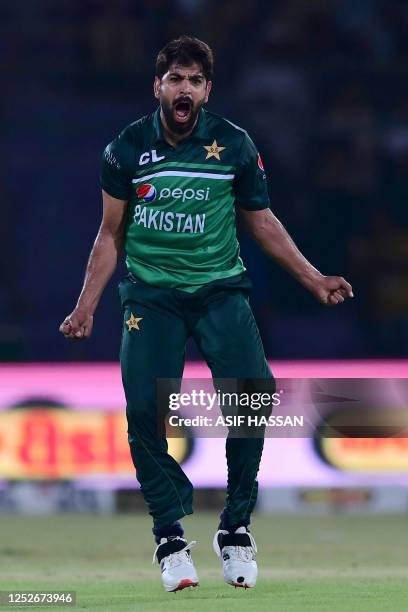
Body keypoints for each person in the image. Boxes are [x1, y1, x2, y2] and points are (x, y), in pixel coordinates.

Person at [59, 35, 353, 592]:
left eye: (195, 81)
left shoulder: (234, 146)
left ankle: (235, 528)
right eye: (175, 79)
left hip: (221, 292)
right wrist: (85, 306)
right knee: (144, 407)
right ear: (158, 87)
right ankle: (170, 536)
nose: (184, 89)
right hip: (151, 298)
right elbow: (109, 232)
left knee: (253, 397)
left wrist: (313, 277)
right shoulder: (126, 149)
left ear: (207, 90)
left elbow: (261, 221)